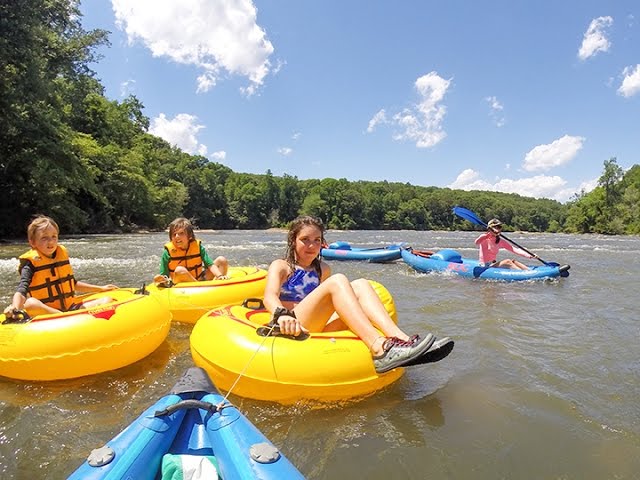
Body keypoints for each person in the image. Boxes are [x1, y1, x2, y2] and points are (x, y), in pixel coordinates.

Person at [263, 215, 454, 374]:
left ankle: (401, 340)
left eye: (317, 240)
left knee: (361, 285)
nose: (311, 246)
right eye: (305, 239)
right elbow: (269, 296)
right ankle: (379, 348)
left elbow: (324, 304)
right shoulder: (282, 266)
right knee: (338, 281)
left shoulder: (323, 268)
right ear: (293, 240)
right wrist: (281, 316)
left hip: (317, 324)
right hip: (294, 324)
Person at [3, 215, 118, 319]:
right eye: (44, 238)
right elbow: (22, 289)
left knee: (107, 300)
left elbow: (72, 283)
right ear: (33, 242)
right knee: (30, 303)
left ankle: (68, 317)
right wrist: (15, 307)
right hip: (46, 312)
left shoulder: (60, 254)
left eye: (54, 236)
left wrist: (101, 288)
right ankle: (63, 317)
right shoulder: (30, 264)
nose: (51, 241)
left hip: (70, 308)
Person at [153, 217, 228, 286]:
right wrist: (160, 279)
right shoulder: (167, 252)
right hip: (180, 285)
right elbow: (164, 275)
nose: (177, 236)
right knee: (180, 270)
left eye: (181, 233)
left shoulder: (198, 247)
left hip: (199, 279)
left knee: (222, 260)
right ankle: (200, 288)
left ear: (190, 236)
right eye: (174, 234)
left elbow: (210, 264)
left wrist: (219, 275)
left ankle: (221, 284)